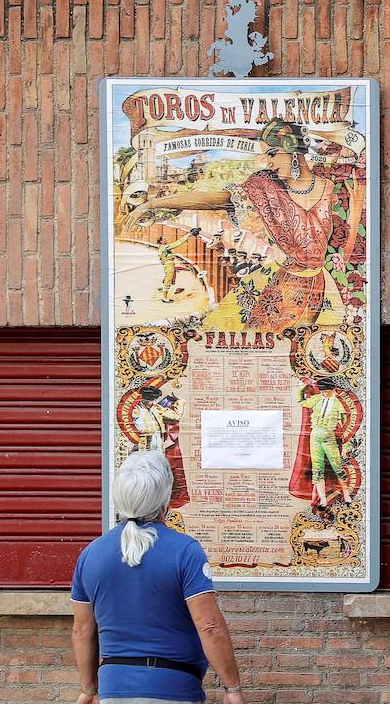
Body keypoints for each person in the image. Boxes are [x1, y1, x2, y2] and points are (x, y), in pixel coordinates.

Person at [71, 451, 247, 704]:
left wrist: (88, 688)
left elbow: (83, 630)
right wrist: (232, 685)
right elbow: (209, 626)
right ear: (165, 498)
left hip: (114, 692)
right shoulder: (184, 551)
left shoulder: (91, 555)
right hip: (169, 691)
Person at [124, 118, 343, 331]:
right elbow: (211, 200)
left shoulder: (334, 189)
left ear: (293, 150)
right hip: (280, 284)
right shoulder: (264, 186)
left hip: (321, 288)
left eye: (273, 154)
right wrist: (152, 204)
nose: (269, 163)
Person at [292, 378, 351, 522]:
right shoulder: (317, 399)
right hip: (315, 437)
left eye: (327, 392)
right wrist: (301, 388)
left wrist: (346, 446)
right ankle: (323, 500)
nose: (324, 394)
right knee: (317, 469)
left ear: (333, 390)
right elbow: (300, 402)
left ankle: (347, 494)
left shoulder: (339, 404)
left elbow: (345, 426)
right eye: (323, 392)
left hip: (329, 437)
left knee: (337, 467)